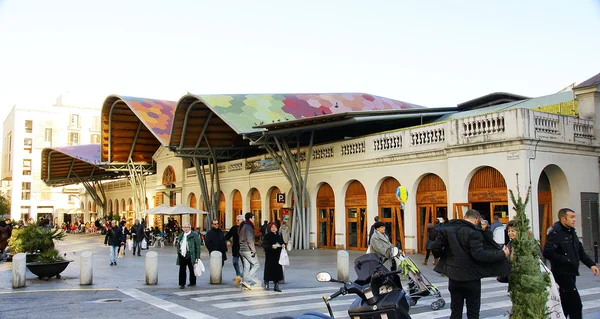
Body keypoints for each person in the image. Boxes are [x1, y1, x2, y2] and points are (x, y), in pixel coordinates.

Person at [432, 209, 510, 319]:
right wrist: (502, 254)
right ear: (477, 219)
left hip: (454, 277)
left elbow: (435, 247)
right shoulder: (474, 233)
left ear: (465, 217)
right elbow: (479, 255)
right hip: (471, 278)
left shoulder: (448, 229)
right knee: (473, 312)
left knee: (455, 311)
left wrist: (446, 256)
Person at [543, 208, 599, 319]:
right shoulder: (555, 233)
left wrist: (591, 264)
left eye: (575, 217)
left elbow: (580, 251)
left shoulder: (571, 232)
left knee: (565, 305)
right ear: (563, 219)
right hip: (562, 274)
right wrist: (566, 260)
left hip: (571, 272)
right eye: (572, 217)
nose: (574, 220)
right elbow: (547, 252)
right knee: (576, 304)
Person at [175, 223, 201, 289]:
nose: (186, 229)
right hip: (182, 254)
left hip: (191, 254)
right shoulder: (181, 235)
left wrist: (197, 257)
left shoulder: (194, 235)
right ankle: (182, 284)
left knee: (191, 269)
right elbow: (179, 244)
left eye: (187, 227)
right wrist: (179, 251)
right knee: (182, 269)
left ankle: (192, 282)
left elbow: (198, 246)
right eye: (184, 227)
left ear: (190, 227)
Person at [262, 222, 286, 292]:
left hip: (278, 255)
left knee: (277, 271)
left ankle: (276, 285)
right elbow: (264, 245)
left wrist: (283, 245)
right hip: (270, 255)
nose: (273, 229)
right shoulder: (267, 235)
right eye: (272, 227)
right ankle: (266, 283)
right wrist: (271, 246)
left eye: (275, 227)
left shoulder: (279, 234)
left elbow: (282, 242)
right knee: (269, 270)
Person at [239, 212, 260, 289]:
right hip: (247, 249)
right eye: (253, 218)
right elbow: (250, 240)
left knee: (246, 267)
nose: (254, 220)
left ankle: (245, 283)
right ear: (250, 218)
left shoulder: (243, 226)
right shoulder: (248, 227)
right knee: (256, 264)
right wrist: (253, 250)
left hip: (242, 249)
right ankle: (247, 281)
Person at [225, 214, 243, 287]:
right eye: (236, 220)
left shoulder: (245, 227)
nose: (237, 221)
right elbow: (227, 236)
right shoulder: (234, 228)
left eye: (238, 220)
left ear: (242, 220)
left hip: (244, 249)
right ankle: (238, 275)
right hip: (236, 248)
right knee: (235, 262)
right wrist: (227, 241)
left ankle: (240, 277)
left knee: (246, 265)